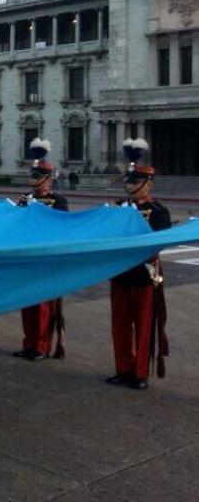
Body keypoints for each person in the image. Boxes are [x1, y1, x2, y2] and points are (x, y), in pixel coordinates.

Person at [107, 139, 171, 391]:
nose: (130, 186)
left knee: (143, 326)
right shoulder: (116, 208)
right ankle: (123, 368)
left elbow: (160, 241)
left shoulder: (157, 210)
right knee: (120, 326)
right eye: (128, 181)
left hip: (145, 273)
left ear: (148, 184)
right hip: (120, 272)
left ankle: (140, 372)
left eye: (135, 182)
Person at [13, 139, 68, 361]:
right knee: (27, 305)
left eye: (37, 177)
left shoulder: (57, 201)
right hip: (27, 258)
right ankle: (29, 343)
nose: (33, 181)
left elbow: (61, 228)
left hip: (47, 260)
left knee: (44, 306)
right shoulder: (25, 199)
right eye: (32, 176)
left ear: (48, 179)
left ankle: (42, 347)